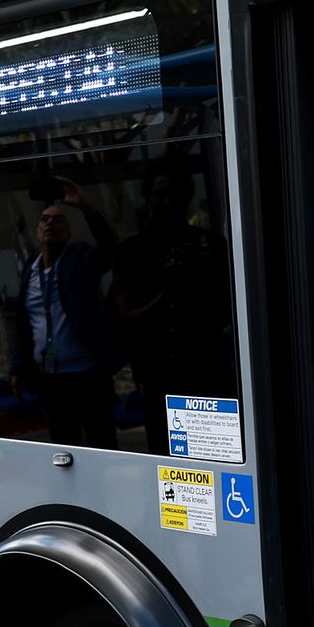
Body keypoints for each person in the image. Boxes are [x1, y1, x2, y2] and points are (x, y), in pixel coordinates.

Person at [114, 165, 234, 451]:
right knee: (167, 457)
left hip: (208, 369)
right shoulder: (131, 251)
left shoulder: (210, 244)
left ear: (188, 198)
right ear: (148, 199)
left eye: (176, 194)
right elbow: (127, 316)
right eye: (160, 195)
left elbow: (228, 308)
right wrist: (166, 291)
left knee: (216, 451)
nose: (168, 202)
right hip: (158, 375)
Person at [12, 186, 119, 447]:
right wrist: (17, 367)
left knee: (101, 447)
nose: (51, 223)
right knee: (63, 449)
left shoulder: (79, 258)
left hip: (87, 378)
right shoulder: (30, 269)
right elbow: (24, 323)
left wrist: (86, 208)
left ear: (68, 233)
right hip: (50, 380)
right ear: (37, 232)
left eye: (58, 220)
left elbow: (110, 248)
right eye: (45, 219)